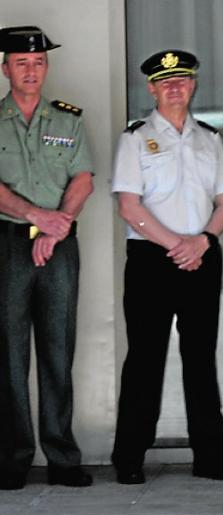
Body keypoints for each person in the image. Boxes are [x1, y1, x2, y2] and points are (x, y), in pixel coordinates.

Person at [111, 49, 223, 484]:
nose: (174, 87)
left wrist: (202, 241)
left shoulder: (210, 138)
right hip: (152, 259)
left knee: (200, 358)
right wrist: (176, 245)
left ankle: (210, 455)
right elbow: (129, 206)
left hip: (202, 255)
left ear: (193, 84)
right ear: (152, 88)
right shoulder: (134, 138)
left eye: (182, 80)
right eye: (165, 82)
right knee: (145, 359)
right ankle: (129, 458)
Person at [0, 26, 94, 490]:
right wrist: (39, 216)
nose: (31, 70)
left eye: (37, 63)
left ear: (47, 68)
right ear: (5, 69)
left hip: (58, 243)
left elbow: (83, 180)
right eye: (21, 63)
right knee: (9, 353)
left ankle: (62, 457)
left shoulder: (68, 119)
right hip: (7, 242)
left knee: (58, 348)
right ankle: (14, 457)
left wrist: (56, 227)